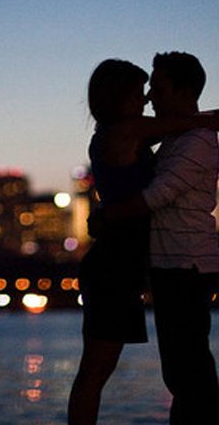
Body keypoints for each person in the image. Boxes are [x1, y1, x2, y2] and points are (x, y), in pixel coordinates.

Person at [67, 58, 219, 425]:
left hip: (135, 264)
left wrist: (105, 214)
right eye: (140, 92)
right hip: (117, 265)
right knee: (98, 372)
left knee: (180, 370)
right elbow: (180, 126)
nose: (147, 98)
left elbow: (156, 180)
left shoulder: (135, 134)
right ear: (117, 98)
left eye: (153, 89)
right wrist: (206, 119)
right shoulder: (124, 132)